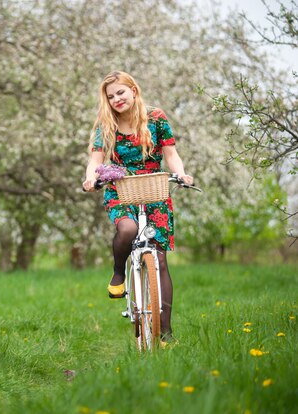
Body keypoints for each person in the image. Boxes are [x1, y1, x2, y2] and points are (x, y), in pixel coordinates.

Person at [82, 71, 194, 345]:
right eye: (111, 96)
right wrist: (90, 178)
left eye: (121, 92)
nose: (116, 99)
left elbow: (170, 154)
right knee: (128, 228)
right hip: (121, 188)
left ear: (133, 90)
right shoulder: (106, 124)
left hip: (154, 188)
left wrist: (181, 174)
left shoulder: (156, 118)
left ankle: (165, 334)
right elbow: (95, 159)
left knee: (161, 260)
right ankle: (119, 271)